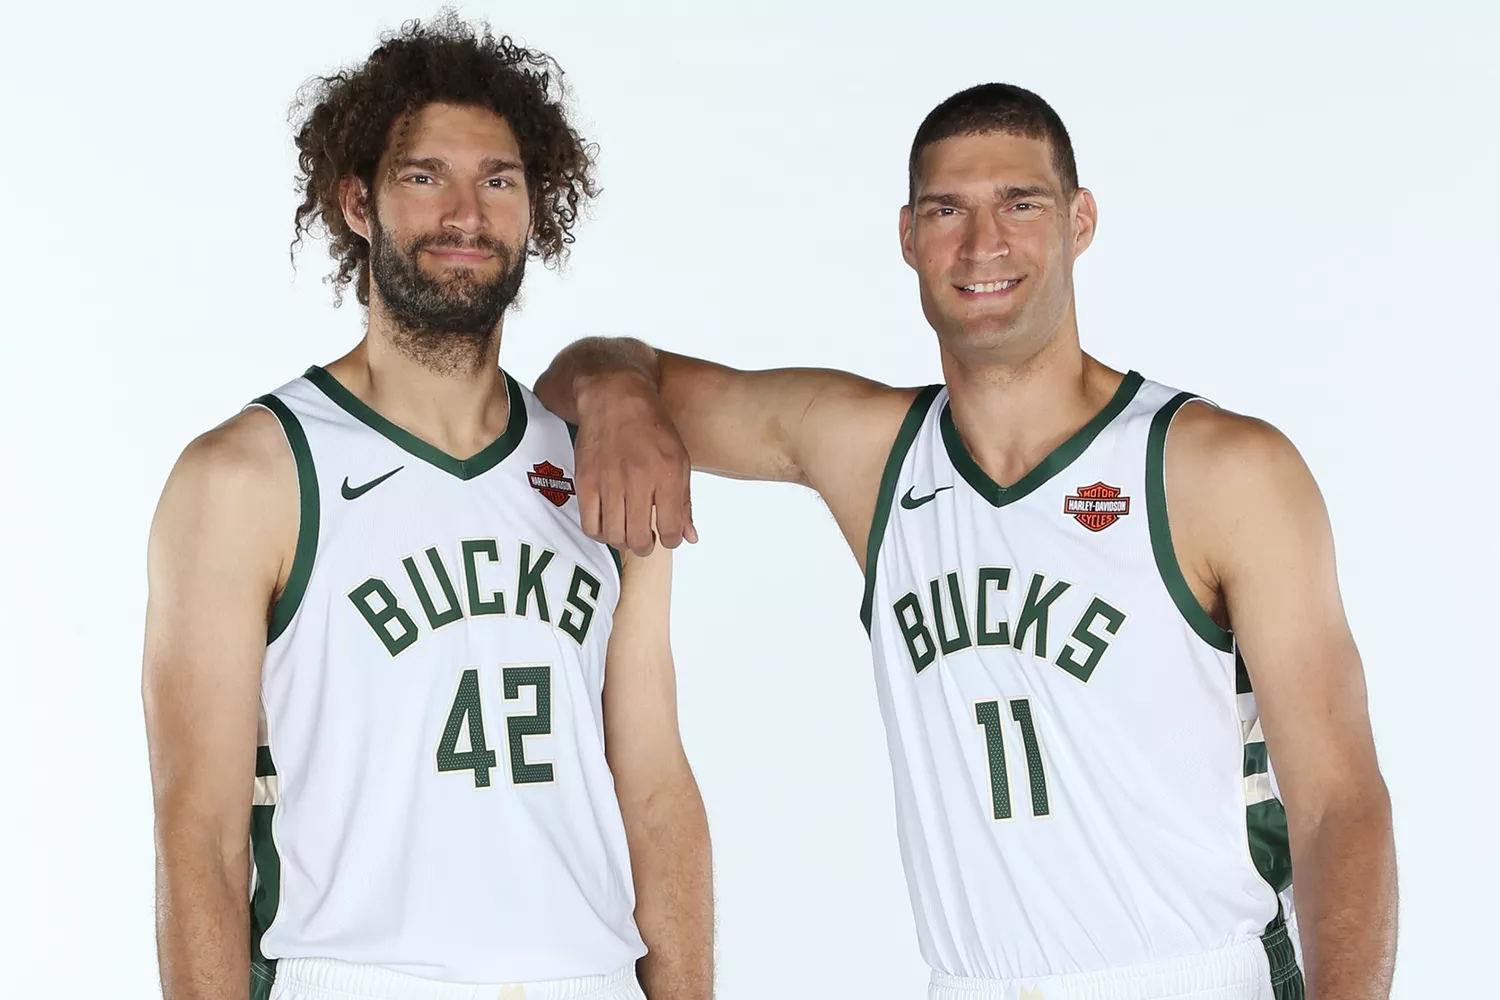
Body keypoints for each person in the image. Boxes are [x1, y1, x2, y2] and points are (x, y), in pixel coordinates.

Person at [535, 83, 1396, 1000]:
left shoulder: (1219, 468)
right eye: (949, 210)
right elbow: (590, 371)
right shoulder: (875, 452)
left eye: (1020, 204)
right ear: (908, 236)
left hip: (1190, 975)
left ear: (1080, 219)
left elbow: (1340, 803)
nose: (983, 244)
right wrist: (617, 394)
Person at [142, 16, 711, 1000]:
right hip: (365, 974)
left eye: (498, 179)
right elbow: (198, 834)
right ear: (357, 200)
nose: (465, 213)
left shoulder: (600, 467)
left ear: (537, 207)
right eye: (424, 175)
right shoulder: (247, 475)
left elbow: (655, 791)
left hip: (591, 976)